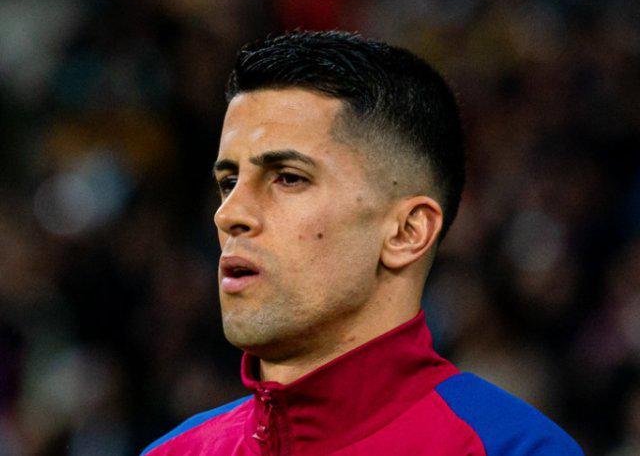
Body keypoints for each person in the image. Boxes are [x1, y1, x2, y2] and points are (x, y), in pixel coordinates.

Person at [141, 31, 584, 455]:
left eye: (289, 178)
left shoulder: (514, 449)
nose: (228, 214)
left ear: (407, 232)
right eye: (229, 182)